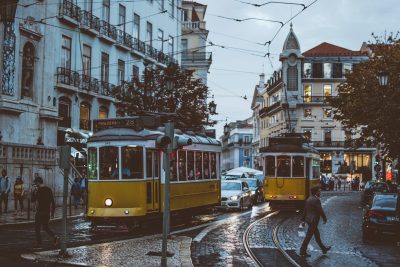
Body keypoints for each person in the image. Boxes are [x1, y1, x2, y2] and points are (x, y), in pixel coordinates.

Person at [300, 186, 331, 257]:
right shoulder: (316, 200)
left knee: (317, 235)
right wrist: (324, 218)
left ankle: (323, 249)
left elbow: (305, 210)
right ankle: (302, 251)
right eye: (319, 191)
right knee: (308, 236)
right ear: (316, 192)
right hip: (313, 221)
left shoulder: (309, 199)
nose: (320, 192)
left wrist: (303, 219)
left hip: (309, 220)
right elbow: (320, 210)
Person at [32, 176, 59, 249]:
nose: (35, 184)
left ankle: (39, 244)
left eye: (35, 183)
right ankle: (55, 236)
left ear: (38, 182)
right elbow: (53, 202)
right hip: (47, 212)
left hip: (40, 212)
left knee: (37, 228)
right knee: (45, 227)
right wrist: (52, 213)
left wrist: (33, 191)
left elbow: (33, 200)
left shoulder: (38, 190)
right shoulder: (49, 189)